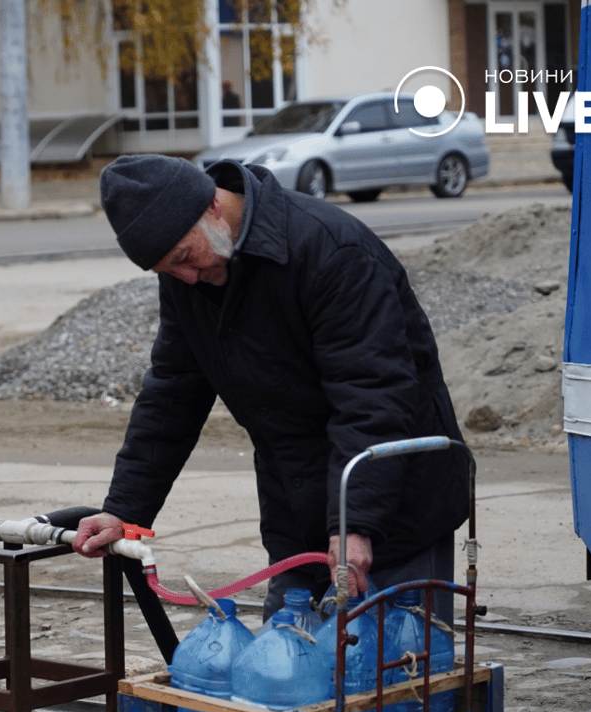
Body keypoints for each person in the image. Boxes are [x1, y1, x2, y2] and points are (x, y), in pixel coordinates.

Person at [71, 154, 468, 623]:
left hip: (394, 509)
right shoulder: (188, 275)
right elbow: (172, 395)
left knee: (394, 679)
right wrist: (125, 511)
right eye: (166, 270)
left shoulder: (330, 250)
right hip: (296, 514)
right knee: (290, 676)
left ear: (214, 208)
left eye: (182, 258)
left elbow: (371, 396)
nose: (185, 278)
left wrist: (354, 525)